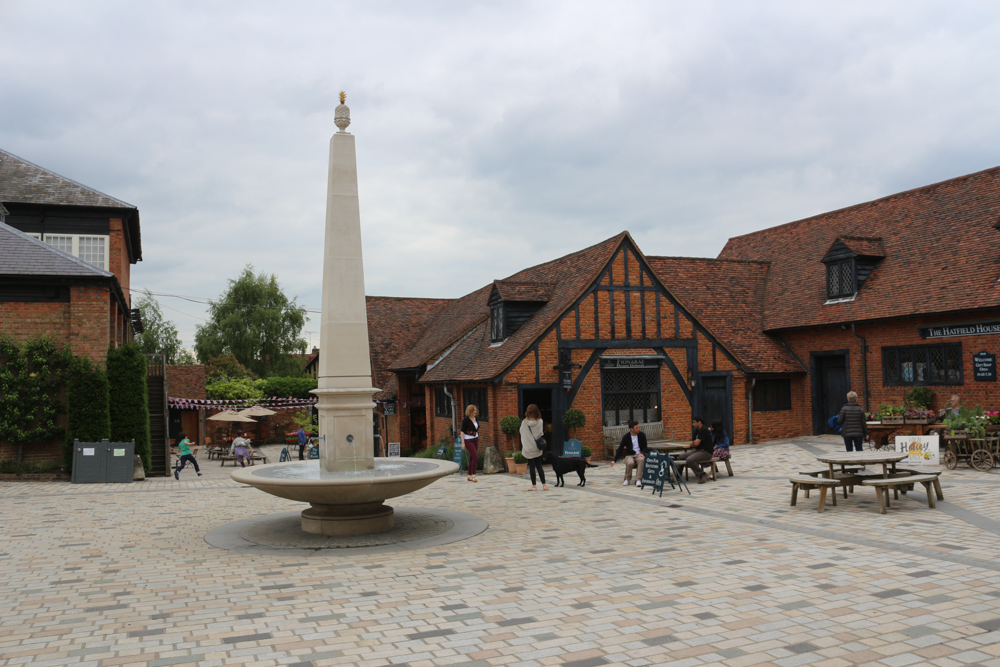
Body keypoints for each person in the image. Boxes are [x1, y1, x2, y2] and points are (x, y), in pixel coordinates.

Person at [519, 404, 548, 491]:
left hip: (529, 447)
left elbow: (521, 432)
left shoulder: (524, 422)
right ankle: (544, 485)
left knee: (532, 466)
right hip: (537, 447)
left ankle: (534, 486)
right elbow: (540, 433)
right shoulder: (540, 421)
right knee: (539, 466)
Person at [676, 416, 714, 484]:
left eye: (694, 422)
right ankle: (678, 476)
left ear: (699, 422)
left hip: (706, 452)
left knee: (690, 459)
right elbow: (693, 442)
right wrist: (694, 442)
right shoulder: (696, 431)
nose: (692, 424)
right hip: (698, 451)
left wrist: (694, 443)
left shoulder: (704, 430)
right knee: (681, 456)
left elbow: (695, 444)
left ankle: (702, 474)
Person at [610, 420, 648, 487]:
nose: (638, 429)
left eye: (638, 427)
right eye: (636, 428)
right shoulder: (626, 437)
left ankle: (638, 480)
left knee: (641, 460)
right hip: (629, 455)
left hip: (639, 454)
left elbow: (645, 446)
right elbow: (620, 448)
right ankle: (627, 479)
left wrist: (642, 453)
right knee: (630, 463)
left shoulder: (642, 435)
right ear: (631, 429)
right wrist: (614, 460)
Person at [460, 404, 480, 483]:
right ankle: (473, 475)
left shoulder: (476, 418)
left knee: (472, 457)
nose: (475, 411)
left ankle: (469, 475)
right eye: (474, 410)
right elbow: (462, 432)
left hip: (475, 439)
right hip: (468, 440)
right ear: (470, 411)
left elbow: (476, 429)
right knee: (475, 457)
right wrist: (463, 443)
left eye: (475, 410)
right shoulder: (466, 420)